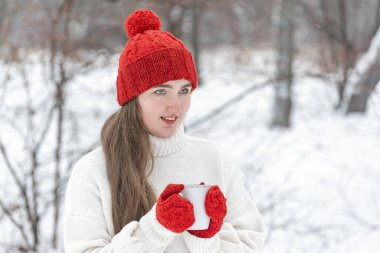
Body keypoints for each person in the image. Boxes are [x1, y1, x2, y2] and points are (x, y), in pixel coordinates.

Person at [63, 9, 267, 253]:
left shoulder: (215, 158)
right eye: (160, 91)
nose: (176, 106)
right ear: (132, 98)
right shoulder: (94, 170)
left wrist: (205, 238)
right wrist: (155, 229)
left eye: (184, 90)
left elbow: (250, 244)